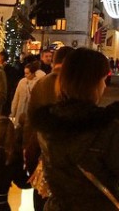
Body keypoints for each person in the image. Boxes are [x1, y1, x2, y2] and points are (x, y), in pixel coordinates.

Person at [31, 48, 119, 210]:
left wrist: (110, 113)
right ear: (91, 83)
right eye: (102, 79)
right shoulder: (107, 131)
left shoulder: (49, 122)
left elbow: (81, 121)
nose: (104, 86)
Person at [25, 46, 74, 211]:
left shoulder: (41, 83)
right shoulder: (73, 84)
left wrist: (29, 157)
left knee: (41, 202)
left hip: (42, 157)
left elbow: (30, 123)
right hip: (66, 163)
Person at [10, 61, 42, 126]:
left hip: (31, 111)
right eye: (25, 73)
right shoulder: (22, 82)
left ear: (33, 73)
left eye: (27, 73)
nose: (25, 75)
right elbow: (16, 97)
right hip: (21, 109)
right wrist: (13, 111)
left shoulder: (38, 83)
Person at [0, 51, 21, 117]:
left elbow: (10, 84)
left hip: (5, 99)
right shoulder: (7, 69)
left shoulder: (8, 70)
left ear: (1, 58)